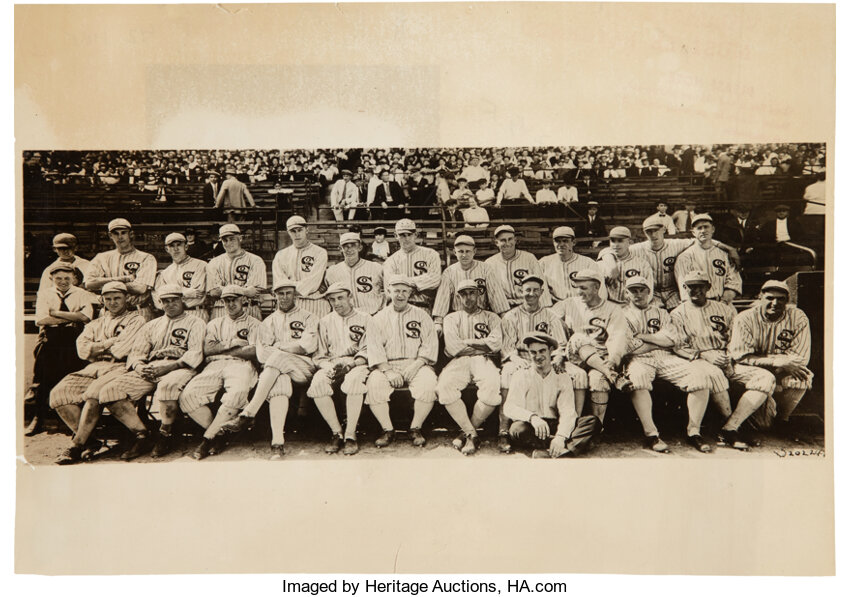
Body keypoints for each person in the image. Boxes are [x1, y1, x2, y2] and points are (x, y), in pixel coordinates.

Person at [661, 270, 774, 450]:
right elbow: (677, 346)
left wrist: (729, 356)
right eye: (690, 286)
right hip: (697, 359)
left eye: (699, 286)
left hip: (728, 357)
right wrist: (703, 355)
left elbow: (738, 337)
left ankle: (731, 426)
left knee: (765, 378)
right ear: (684, 288)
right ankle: (725, 430)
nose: (695, 290)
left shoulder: (725, 309)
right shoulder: (677, 314)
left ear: (708, 287)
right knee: (713, 374)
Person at [95, 284, 206, 460]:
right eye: (165, 301)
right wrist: (140, 366)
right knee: (109, 392)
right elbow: (137, 352)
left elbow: (195, 354)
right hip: (150, 367)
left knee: (167, 388)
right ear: (160, 303)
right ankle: (142, 435)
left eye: (174, 300)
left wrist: (168, 367)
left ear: (182, 300)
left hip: (179, 367)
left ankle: (165, 435)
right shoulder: (152, 325)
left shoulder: (196, 322)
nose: (170, 304)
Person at [220, 278, 318, 459]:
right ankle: (277, 442)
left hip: (304, 368)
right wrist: (289, 347)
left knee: (277, 358)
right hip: (277, 370)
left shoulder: (309, 317)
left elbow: (307, 346)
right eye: (281, 293)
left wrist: (280, 347)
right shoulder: (268, 321)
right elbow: (262, 354)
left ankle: (248, 413)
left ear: (295, 294)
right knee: (279, 384)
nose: (285, 297)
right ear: (275, 296)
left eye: (289, 293)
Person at [50, 281, 146, 464]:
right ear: (102, 300)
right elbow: (82, 350)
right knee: (58, 394)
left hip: (121, 366)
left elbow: (122, 350)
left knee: (94, 394)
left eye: (117, 298)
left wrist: (96, 348)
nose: (113, 302)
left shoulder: (136, 319)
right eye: (108, 299)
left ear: (127, 298)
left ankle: (77, 445)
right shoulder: (95, 323)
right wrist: (108, 344)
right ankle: (91, 441)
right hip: (93, 367)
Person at [620, 276, 712, 453]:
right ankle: (651, 434)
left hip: (666, 357)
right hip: (639, 359)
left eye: (642, 290)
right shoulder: (621, 315)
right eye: (633, 290)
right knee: (638, 378)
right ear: (626, 293)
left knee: (700, 376)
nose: (638, 294)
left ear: (649, 292)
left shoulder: (661, 312)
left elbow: (673, 339)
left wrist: (643, 336)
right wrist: (660, 340)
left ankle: (694, 432)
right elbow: (629, 346)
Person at [500, 275, 589, 452]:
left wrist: (556, 359)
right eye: (527, 290)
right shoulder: (511, 316)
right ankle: (503, 431)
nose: (530, 294)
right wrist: (519, 361)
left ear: (541, 292)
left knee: (579, 375)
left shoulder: (551, 316)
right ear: (520, 292)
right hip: (521, 358)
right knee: (508, 373)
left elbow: (561, 345)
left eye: (535, 290)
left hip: (549, 357)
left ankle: (572, 425)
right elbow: (508, 348)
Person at [179, 285, 261, 460]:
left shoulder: (255, 323)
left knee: (237, 393)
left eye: (235, 299)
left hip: (241, 364)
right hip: (214, 365)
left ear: (243, 300)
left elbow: (253, 351)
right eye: (227, 300)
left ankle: (207, 439)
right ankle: (220, 434)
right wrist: (233, 344)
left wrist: (222, 348)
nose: (231, 304)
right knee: (188, 396)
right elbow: (208, 350)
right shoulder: (215, 323)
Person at [728, 280, 813, 438]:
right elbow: (741, 356)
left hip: (780, 367)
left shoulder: (798, 317)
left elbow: (800, 357)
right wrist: (775, 361)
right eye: (769, 298)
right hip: (746, 368)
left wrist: (780, 366)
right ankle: (737, 422)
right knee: (763, 425)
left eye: (780, 298)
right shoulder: (745, 318)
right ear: (760, 297)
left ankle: (782, 420)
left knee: (803, 376)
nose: (775, 303)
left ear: (787, 300)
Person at [364, 276, 439, 448]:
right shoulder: (377, 318)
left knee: (428, 384)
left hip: (416, 363)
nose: (400, 295)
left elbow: (429, 344)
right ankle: (387, 429)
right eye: (396, 290)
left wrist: (417, 364)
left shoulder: (422, 315)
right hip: (387, 364)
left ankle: (415, 428)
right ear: (389, 292)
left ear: (410, 293)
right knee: (374, 384)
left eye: (405, 291)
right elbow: (374, 348)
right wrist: (388, 371)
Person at [503, 332, 602, 458]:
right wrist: (532, 417)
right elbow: (510, 407)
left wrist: (560, 436)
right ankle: (567, 449)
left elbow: (568, 412)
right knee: (517, 429)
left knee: (592, 422)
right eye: (533, 352)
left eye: (542, 351)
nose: (538, 356)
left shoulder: (562, 376)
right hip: (532, 426)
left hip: (555, 424)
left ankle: (552, 450)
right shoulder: (521, 375)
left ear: (550, 351)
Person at [26, 263, 96, 436]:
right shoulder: (44, 294)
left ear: (73, 278)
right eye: (59, 278)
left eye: (67, 278)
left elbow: (86, 317)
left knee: (74, 375)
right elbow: (41, 320)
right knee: (43, 377)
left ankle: (75, 422)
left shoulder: (82, 294)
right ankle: (39, 419)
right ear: (52, 279)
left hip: (74, 337)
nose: (63, 282)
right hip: (52, 338)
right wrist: (73, 317)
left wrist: (56, 313)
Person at [436, 280, 503, 456]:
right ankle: (472, 434)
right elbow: (453, 348)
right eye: (463, 294)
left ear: (479, 294)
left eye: (472, 293)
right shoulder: (451, 318)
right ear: (458, 297)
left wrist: (468, 342)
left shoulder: (491, 317)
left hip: (483, 359)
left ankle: (467, 431)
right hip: (460, 360)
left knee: (492, 386)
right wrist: (483, 344)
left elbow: (496, 344)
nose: (468, 297)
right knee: (444, 386)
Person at [559, 269, 632, 425]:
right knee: (579, 337)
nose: (579, 292)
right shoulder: (569, 303)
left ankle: (595, 428)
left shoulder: (612, 309)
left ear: (596, 288)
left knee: (599, 381)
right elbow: (549, 318)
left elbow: (617, 337)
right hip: (574, 357)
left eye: (584, 288)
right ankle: (613, 376)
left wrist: (613, 359)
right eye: (577, 287)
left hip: (600, 358)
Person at [305, 282, 371, 456]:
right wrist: (328, 366)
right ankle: (336, 432)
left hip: (357, 363)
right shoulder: (325, 321)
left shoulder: (366, 318)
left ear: (350, 297)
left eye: (341, 297)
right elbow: (319, 354)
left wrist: (353, 363)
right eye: (332, 299)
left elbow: (370, 348)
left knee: (354, 381)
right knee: (318, 383)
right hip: (333, 363)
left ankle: (350, 434)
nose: (337, 302)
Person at [432, 235, 510, 330]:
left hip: (482, 316)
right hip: (458, 317)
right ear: (454, 252)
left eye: (468, 251)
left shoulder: (485, 269)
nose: (464, 255)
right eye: (461, 251)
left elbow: (496, 295)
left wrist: (504, 318)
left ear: (474, 251)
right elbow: (442, 299)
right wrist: (438, 323)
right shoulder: (449, 272)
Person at [86, 218, 157, 320]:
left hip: (137, 311)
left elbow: (140, 288)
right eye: (116, 233)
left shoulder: (146, 258)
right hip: (109, 313)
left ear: (131, 234)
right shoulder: (101, 257)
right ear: (110, 236)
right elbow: (89, 283)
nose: (120, 237)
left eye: (123, 233)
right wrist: (122, 279)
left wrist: (104, 283)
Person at [674, 214, 742, 304]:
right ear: (693, 232)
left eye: (706, 227)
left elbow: (734, 282)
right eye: (699, 228)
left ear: (713, 229)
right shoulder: (685, 257)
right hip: (696, 305)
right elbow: (684, 288)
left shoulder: (725, 255)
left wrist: (724, 301)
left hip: (722, 302)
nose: (703, 231)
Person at [206, 223, 269, 320]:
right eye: (224, 240)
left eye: (232, 239)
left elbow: (254, 292)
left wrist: (224, 290)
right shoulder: (214, 263)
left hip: (248, 308)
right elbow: (214, 292)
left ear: (240, 238)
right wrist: (245, 291)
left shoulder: (255, 260)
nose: (228, 243)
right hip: (221, 310)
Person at [272, 215, 330, 318]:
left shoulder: (320, 252)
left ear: (306, 230)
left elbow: (314, 282)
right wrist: (289, 290)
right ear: (288, 232)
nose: (297, 234)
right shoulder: (281, 255)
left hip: (314, 302)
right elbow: (280, 282)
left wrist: (290, 288)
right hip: (290, 303)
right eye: (293, 231)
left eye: (300, 230)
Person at [484, 224, 552, 308]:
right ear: (496, 242)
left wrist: (546, 308)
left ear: (515, 240)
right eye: (503, 240)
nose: (507, 243)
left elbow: (541, 284)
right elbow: (492, 292)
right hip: (504, 306)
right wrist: (503, 313)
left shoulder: (529, 258)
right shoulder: (489, 263)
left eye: (510, 239)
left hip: (527, 304)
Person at [382, 219, 442, 311]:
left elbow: (435, 279)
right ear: (395, 236)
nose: (406, 239)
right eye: (402, 235)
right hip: (400, 308)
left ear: (416, 235)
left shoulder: (431, 254)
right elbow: (390, 288)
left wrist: (404, 282)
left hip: (424, 306)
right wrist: (420, 284)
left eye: (409, 234)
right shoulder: (391, 261)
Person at [324, 231, 385, 316]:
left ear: (360, 247)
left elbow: (388, 291)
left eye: (353, 245)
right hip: (345, 318)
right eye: (345, 246)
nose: (349, 249)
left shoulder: (376, 268)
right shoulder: (332, 272)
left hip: (373, 316)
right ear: (340, 249)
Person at [153, 232, 208, 321]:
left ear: (186, 247)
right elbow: (160, 297)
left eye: (179, 245)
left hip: (196, 312)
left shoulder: (200, 265)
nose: (176, 249)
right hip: (174, 316)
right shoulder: (166, 272)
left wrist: (172, 296)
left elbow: (198, 292)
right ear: (167, 249)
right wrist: (186, 293)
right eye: (172, 246)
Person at [538, 226, 599, 303]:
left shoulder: (588, 263)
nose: (561, 244)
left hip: (582, 305)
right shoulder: (543, 263)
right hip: (555, 306)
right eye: (558, 241)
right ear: (553, 243)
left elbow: (599, 289)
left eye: (565, 241)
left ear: (574, 242)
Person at [595, 226, 654, 305]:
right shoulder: (601, 264)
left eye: (620, 241)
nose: (616, 245)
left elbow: (649, 290)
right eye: (613, 241)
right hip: (609, 305)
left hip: (633, 306)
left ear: (630, 242)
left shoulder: (642, 264)